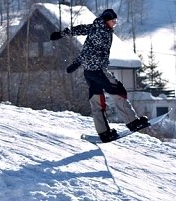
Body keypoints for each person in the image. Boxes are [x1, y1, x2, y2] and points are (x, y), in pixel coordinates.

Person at [50, 9, 149, 142]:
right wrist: (77, 62)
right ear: (107, 20)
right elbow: (89, 49)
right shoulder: (102, 32)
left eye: (116, 21)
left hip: (89, 72)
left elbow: (79, 30)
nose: (114, 23)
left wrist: (62, 34)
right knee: (119, 92)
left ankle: (104, 132)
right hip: (99, 70)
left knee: (96, 101)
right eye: (113, 21)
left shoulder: (94, 27)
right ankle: (132, 122)